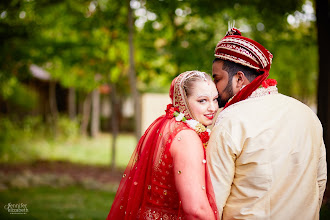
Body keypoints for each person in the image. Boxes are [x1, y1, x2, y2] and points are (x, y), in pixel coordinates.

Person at [207, 27, 327, 219]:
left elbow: (213, 198)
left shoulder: (231, 119)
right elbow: (319, 182)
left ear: (239, 78)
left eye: (217, 79)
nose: (213, 89)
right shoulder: (307, 114)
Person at [107, 70, 219, 220]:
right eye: (202, 101)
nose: (212, 107)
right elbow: (196, 210)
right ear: (183, 100)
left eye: (215, 99)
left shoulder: (165, 125)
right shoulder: (187, 137)